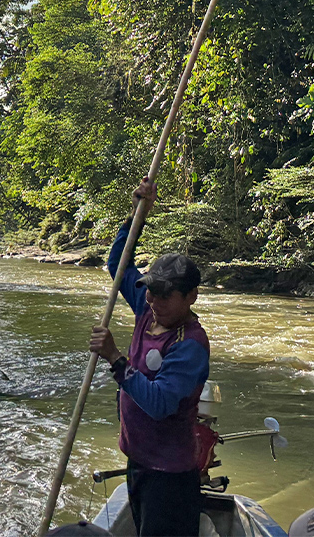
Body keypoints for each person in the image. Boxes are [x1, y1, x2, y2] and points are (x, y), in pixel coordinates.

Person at [89, 177, 211, 537]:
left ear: (191, 297)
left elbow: (158, 403)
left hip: (170, 476)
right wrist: (136, 218)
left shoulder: (190, 344)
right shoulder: (148, 311)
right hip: (139, 461)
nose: (154, 301)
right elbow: (118, 264)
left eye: (164, 295)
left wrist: (115, 358)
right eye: (151, 293)